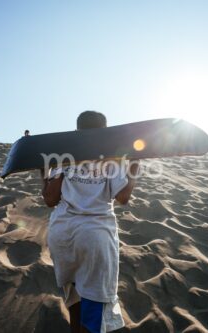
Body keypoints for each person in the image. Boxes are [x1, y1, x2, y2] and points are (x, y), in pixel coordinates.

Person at [41, 111, 139, 333]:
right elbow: (122, 198)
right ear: (105, 131)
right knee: (94, 306)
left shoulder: (63, 157)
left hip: (62, 235)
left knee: (75, 296)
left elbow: (50, 199)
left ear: (77, 131)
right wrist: (133, 168)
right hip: (95, 235)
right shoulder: (111, 159)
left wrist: (44, 176)